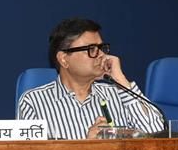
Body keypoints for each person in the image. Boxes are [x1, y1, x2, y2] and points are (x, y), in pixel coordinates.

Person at [17, 18, 163, 139]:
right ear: (63, 59)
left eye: (102, 47)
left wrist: (121, 80)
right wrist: (88, 148)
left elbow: (158, 136)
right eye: (91, 49)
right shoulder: (33, 102)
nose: (101, 55)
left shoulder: (118, 94)